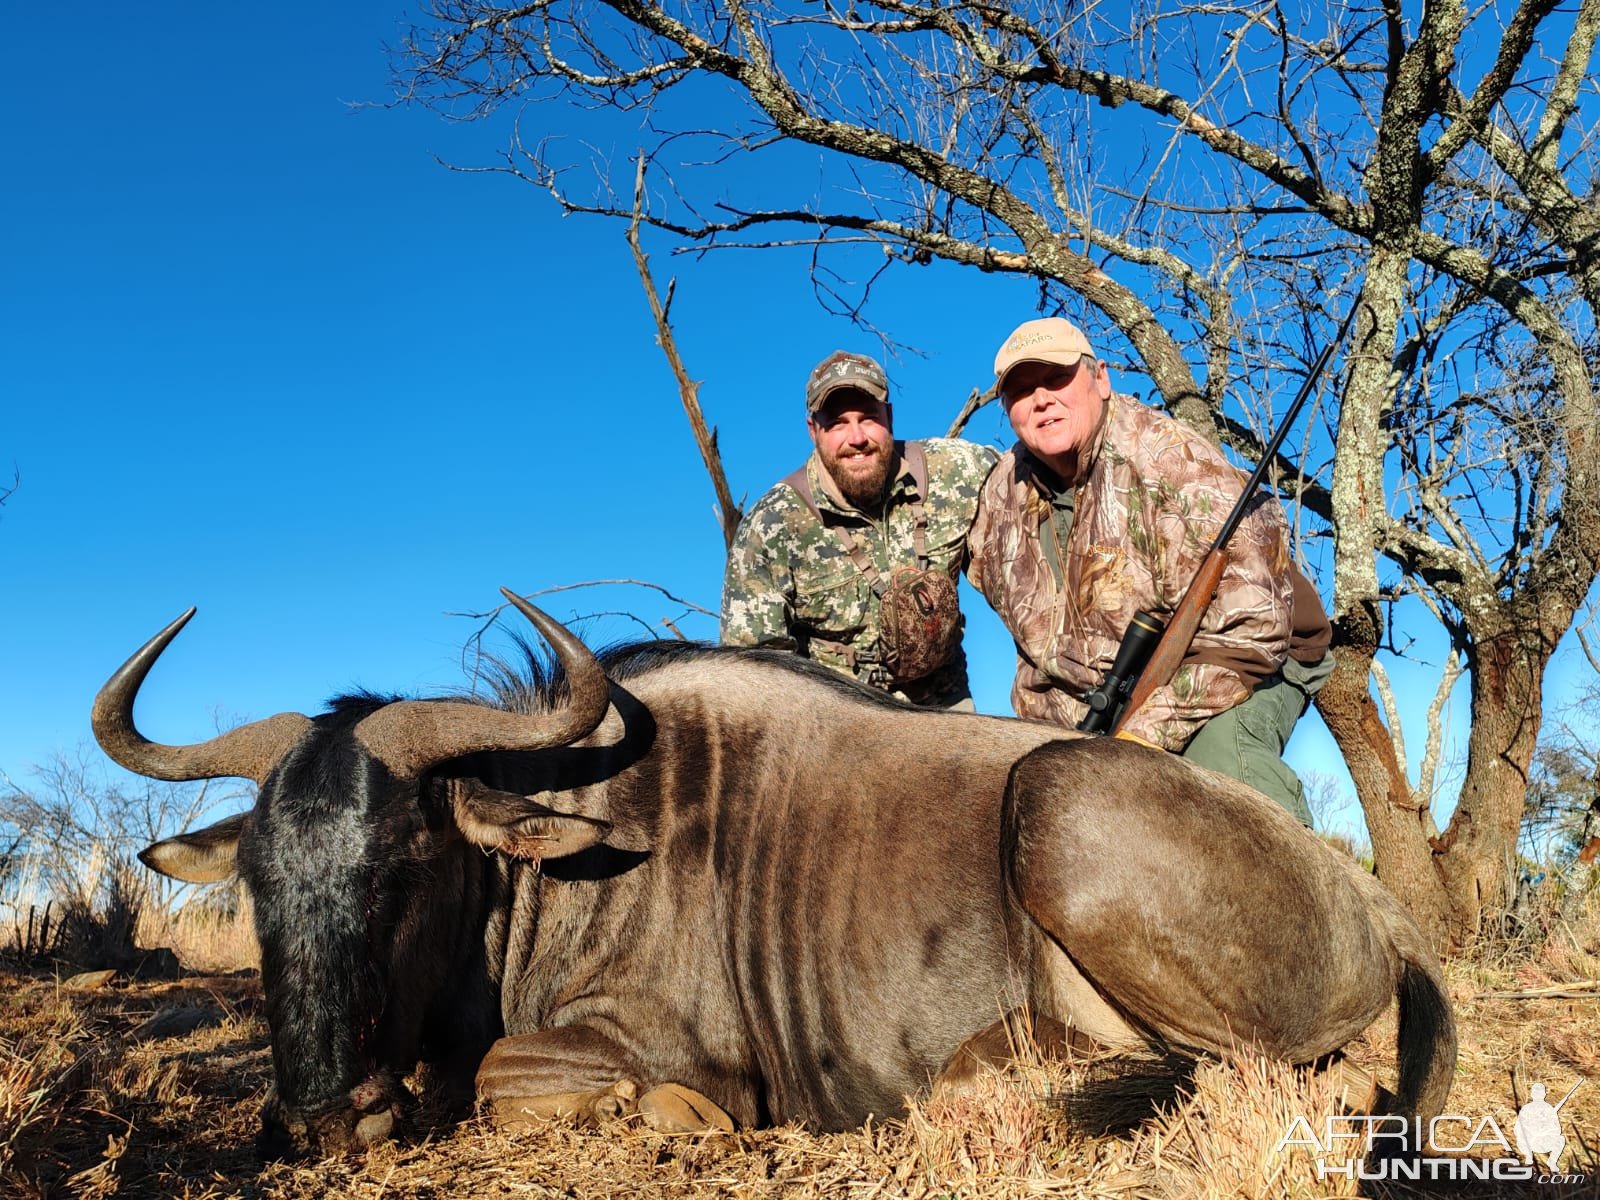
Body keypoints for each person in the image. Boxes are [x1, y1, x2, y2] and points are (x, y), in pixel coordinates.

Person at [966, 317, 1333, 823]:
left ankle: (1303, 897)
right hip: (1108, 695)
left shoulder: (1173, 461)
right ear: (1008, 409)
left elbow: (1253, 627)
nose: (1041, 399)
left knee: (1218, 778)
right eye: (1022, 391)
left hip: (1248, 653)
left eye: (1056, 379)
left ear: (1101, 377)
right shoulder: (999, 495)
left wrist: (1142, 736)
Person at [722, 350, 997, 709]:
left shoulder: (957, 469)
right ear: (813, 431)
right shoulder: (772, 526)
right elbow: (753, 675)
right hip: (839, 726)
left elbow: (1029, 475)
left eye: (869, 418)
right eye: (837, 423)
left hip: (946, 706)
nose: (856, 438)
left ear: (890, 418)